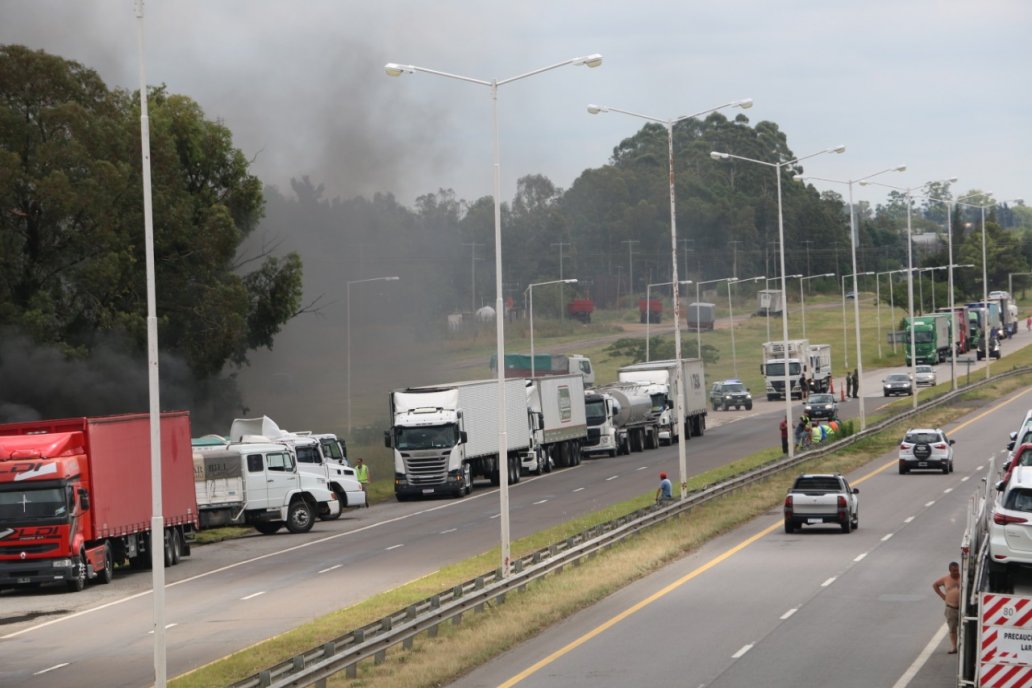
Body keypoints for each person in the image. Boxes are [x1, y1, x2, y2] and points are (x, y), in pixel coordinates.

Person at [932, 561, 961, 654]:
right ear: (950, 570)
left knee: (965, 628)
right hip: (951, 608)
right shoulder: (946, 579)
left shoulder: (963, 577)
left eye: (957, 570)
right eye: (954, 570)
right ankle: (954, 647)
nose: (956, 572)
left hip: (963, 608)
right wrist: (943, 596)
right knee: (952, 628)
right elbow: (935, 585)